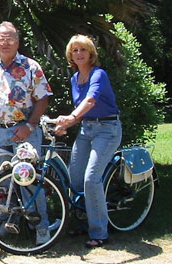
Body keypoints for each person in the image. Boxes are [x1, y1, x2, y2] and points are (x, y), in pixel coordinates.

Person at [0, 21, 53, 245]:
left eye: (10, 38)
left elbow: (43, 98)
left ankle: (41, 229)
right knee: (2, 184)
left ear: (17, 41)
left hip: (25, 132)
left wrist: (29, 126)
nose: (5, 42)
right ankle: (7, 225)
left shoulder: (31, 66)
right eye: (1, 38)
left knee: (29, 182)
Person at [53, 34, 121, 248]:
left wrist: (71, 118)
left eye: (83, 50)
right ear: (70, 55)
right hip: (86, 129)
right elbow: (82, 112)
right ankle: (84, 222)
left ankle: (100, 231)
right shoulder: (74, 79)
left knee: (91, 178)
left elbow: (90, 100)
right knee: (74, 178)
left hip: (107, 129)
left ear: (91, 53)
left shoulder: (98, 74)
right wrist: (65, 125)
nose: (79, 54)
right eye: (75, 51)